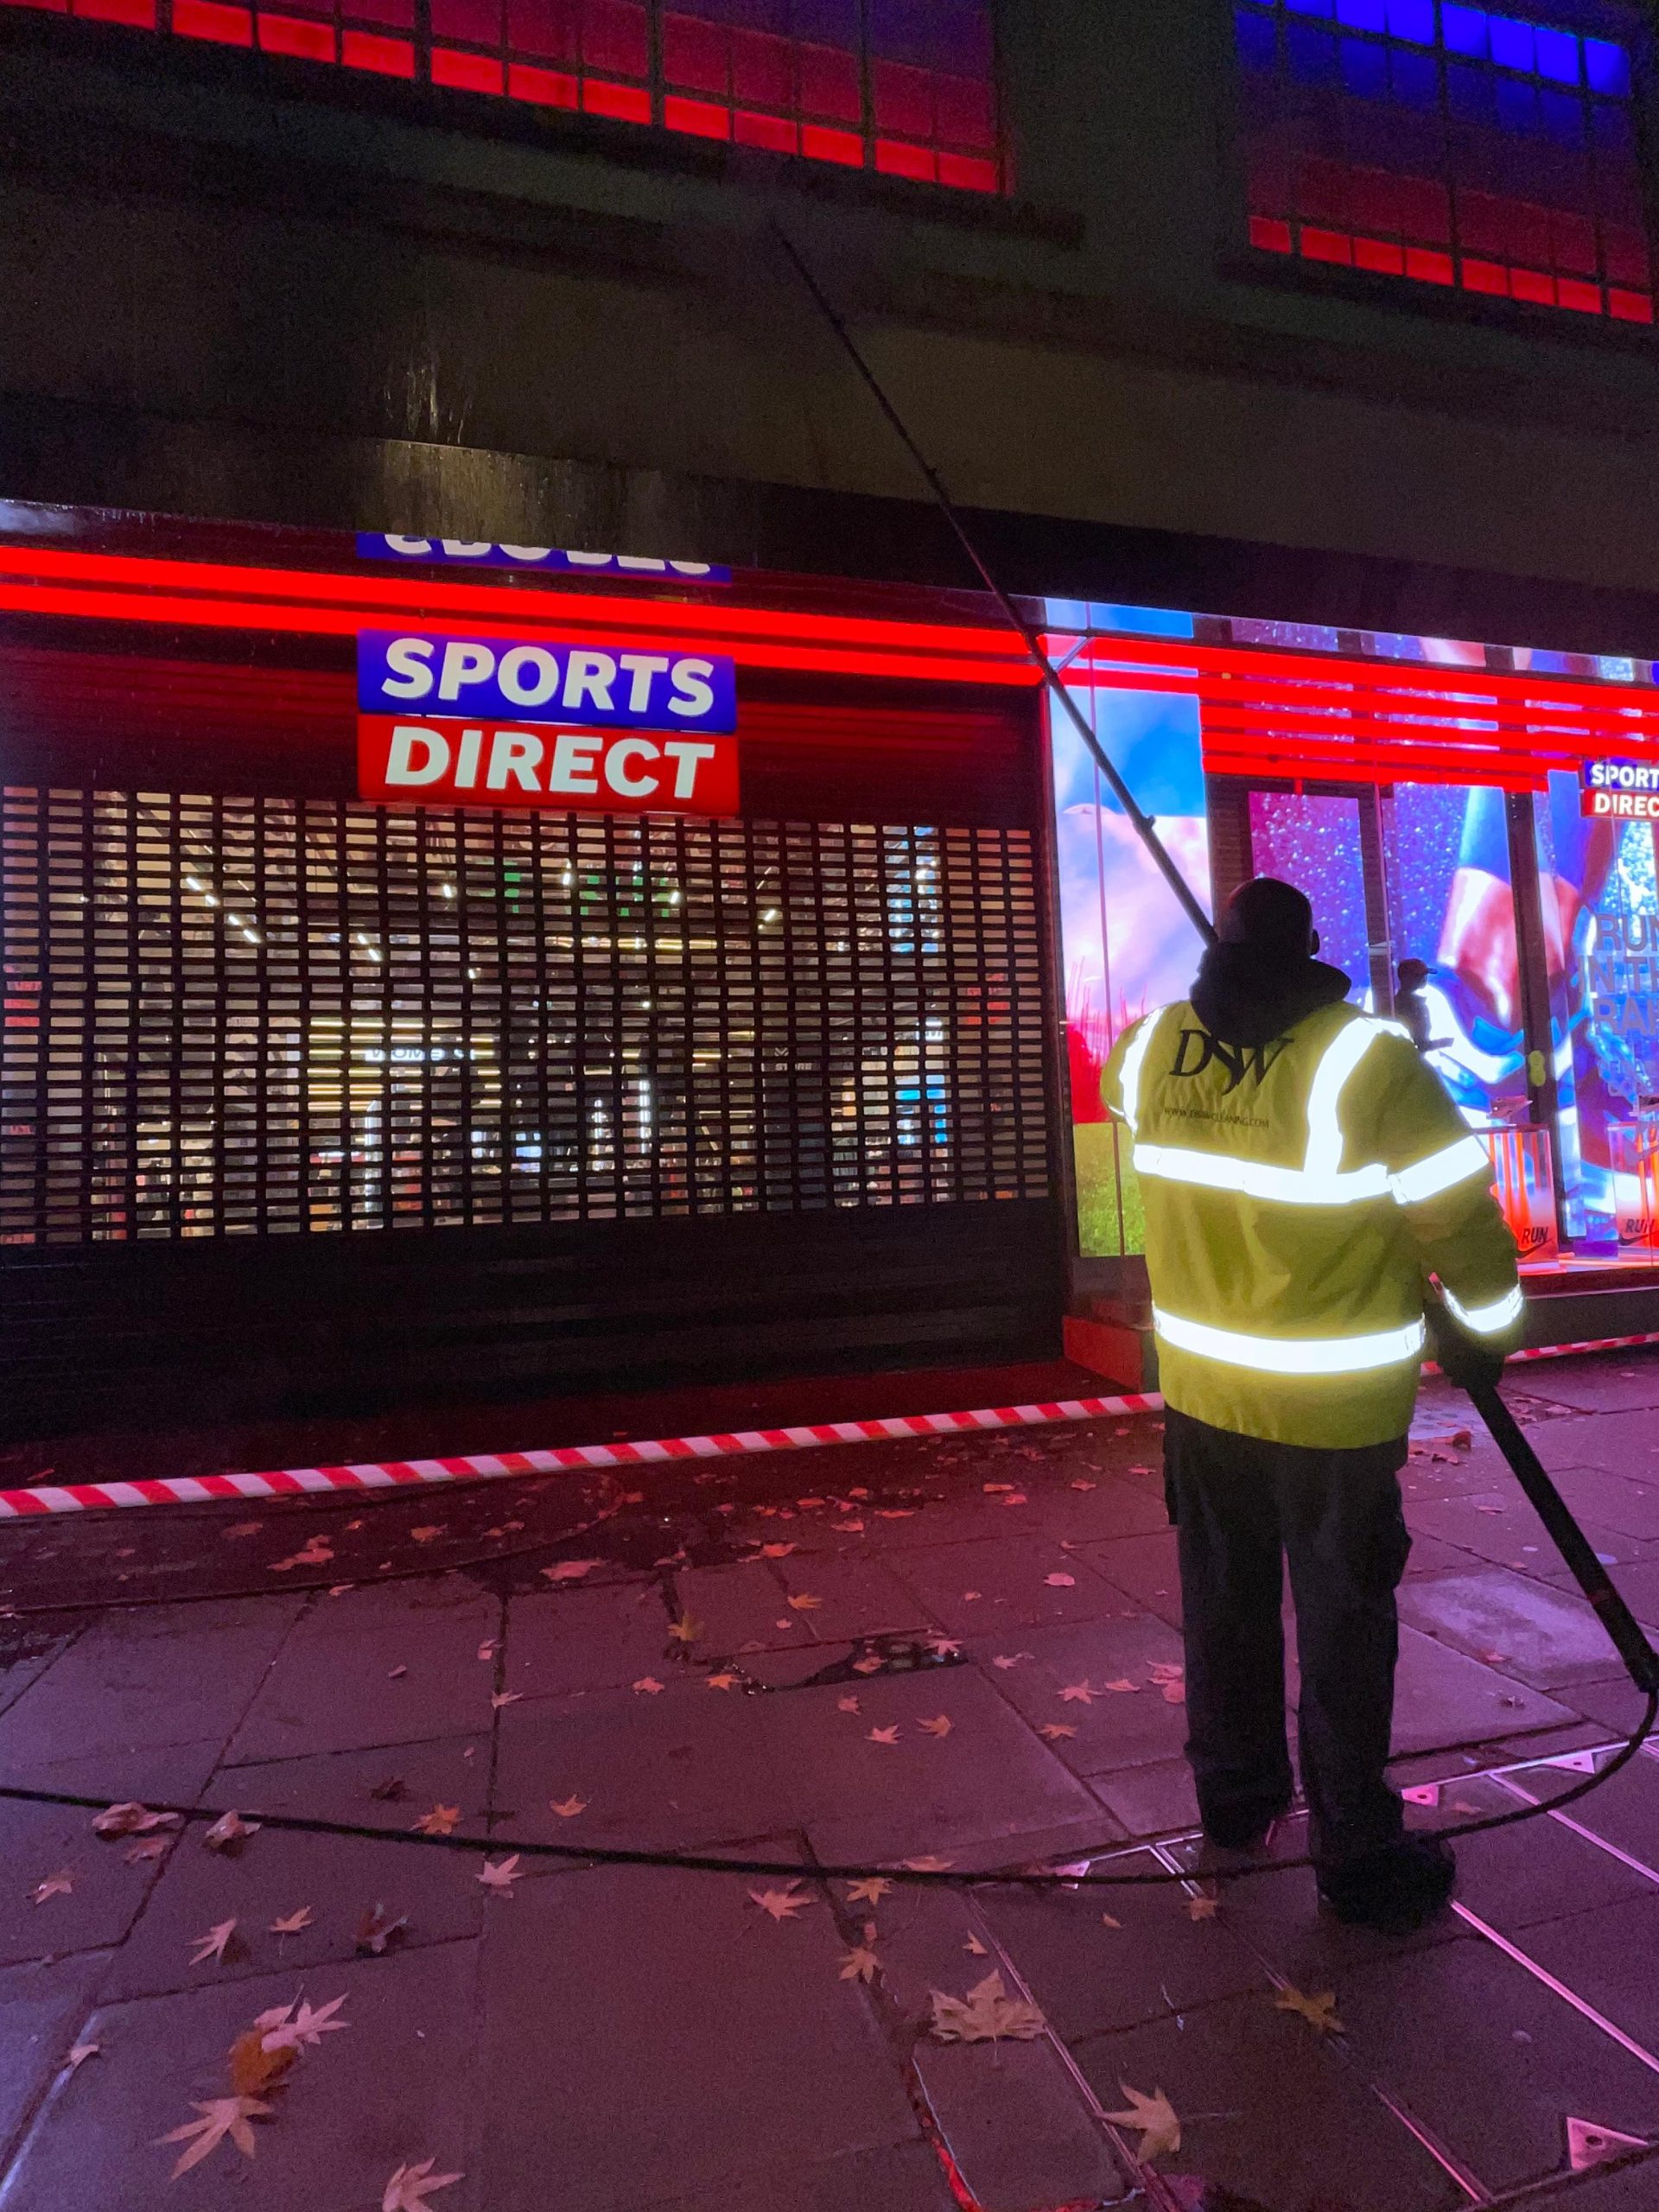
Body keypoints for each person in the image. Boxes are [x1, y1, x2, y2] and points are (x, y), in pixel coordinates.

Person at [1103, 878, 1523, 1932]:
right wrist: (1494, 1325)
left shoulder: (1153, 1047)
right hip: (1332, 1411)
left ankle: (1237, 1800)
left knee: (1224, 1602)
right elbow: (1456, 1216)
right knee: (1343, 1622)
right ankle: (1356, 1847)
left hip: (1203, 1397)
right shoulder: (1367, 1058)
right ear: (1312, 949)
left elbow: (1132, 1094)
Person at [1395, 957, 1435, 1054]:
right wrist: (1445, 1043)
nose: (1424, 980)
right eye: (1420, 976)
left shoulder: (1398, 1001)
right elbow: (1421, 1044)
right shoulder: (1415, 1007)